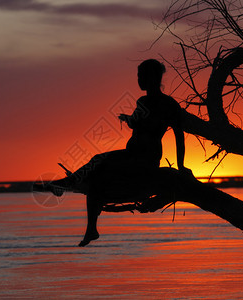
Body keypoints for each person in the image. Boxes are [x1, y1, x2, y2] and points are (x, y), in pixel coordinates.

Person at [36, 59, 192, 246]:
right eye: (138, 76)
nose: (138, 80)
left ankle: (64, 186)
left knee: (99, 163)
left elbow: (178, 135)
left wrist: (181, 165)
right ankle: (90, 226)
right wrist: (128, 119)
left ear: (151, 77)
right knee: (97, 171)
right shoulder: (142, 100)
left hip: (146, 157)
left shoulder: (168, 104)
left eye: (141, 76)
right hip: (130, 152)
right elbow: (136, 122)